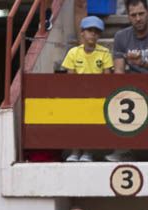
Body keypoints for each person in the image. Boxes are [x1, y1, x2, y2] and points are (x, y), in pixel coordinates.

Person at [60, 16, 114, 163]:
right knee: (75, 122)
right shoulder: (73, 52)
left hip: (97, 96)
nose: (93, 34)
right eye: (90, 30)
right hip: (78, 96)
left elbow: (107, 78)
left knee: (92, 123)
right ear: (82, 33)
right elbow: (70, 79)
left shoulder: (105, 52)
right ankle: (75, 151)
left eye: (97, 31)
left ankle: (88, 152)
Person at [113, 0, 148, 74]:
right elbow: (119, 71)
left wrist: (142, 63)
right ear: (128, 16)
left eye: (141, 14)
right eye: (133, 15)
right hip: (134, 80)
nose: (138, 19)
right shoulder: (121, 37)